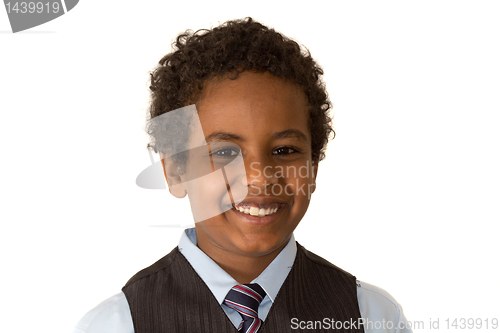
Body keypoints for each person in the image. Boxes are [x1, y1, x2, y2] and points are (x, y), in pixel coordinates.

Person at [73, 17, 413, 333]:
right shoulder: (119, 324)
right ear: (175, 171)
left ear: (313, 165)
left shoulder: (370, 317)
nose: (260, 178)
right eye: (223, 153)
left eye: (284, 151)